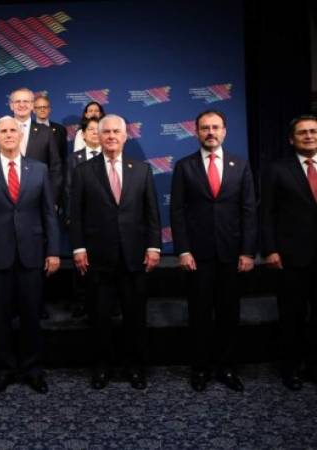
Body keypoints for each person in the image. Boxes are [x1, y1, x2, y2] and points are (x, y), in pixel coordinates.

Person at [0, 116, 60, 394]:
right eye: (2, 131)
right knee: (0, 317)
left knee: (32, 316)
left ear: (21, 135)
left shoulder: (40, 169)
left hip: (32, 253)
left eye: (13, 130)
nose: (8, 135)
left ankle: (33, 370)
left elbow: (48, 214)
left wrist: (53, 250)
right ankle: (3, 370)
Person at [70, 114, 161, 390]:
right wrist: (78, 247)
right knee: (100, 318)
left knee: (135, 317)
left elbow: (151, 212)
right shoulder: (84, 171)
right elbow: (77, 214)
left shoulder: (141, 169)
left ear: (125, 136)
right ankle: (102, 368)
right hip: (98, 257)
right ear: (97, 135)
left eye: (115, 132)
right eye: (105, 132)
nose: (110, 136)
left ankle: (135, 367)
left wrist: (154, 246)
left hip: (134, 256)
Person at [170, 109, 257, 393]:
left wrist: (247, 251)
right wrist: (182, 250)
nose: (210, 132)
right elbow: (178, 212)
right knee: (199, 314)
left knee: (229, 313)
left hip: (232, 255)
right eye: (205, 128)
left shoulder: (240, 165)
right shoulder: (184, 167)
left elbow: (248, 211)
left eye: (215, 127)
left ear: (224, 131)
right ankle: (200, 369)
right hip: (198, 255)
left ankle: (227, 368)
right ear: (196, 132)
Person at [261, 114, 317, 390]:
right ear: (291, 139)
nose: (309, 136)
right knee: (292, 316)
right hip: (292, 257)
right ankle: (290, 369)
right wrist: (270, 249)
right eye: (303, 133)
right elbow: (267, 213)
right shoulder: (277, 169)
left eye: (313, 131)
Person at [63, 117, 101, 318]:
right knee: (81, 264)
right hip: (80, 221)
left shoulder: (113, 156)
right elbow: (68, 191)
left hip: (105, 223)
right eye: (91, 129)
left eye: (98, 129)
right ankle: (80, 301)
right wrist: (70, 217)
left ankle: (107, 303)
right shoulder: (73, 159)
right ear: (83, 135)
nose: (95, 132)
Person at [9, 88, 62, 203]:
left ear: (32, 105)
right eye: (17, 101)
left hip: (39, 200)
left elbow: (55, 168)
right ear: (11, 106)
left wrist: (51, 200)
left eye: (26, 101)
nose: (22, 105)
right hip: (6, 199)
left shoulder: (46, 132)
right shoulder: (1, 130)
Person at [33, 94, 68, 162]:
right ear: (34, 110)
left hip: (55, 171)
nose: (42, 109)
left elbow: (64, 156)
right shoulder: (28, 129)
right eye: (39, 107)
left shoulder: (60, 129)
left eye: (45, 107)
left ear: (49, 109)